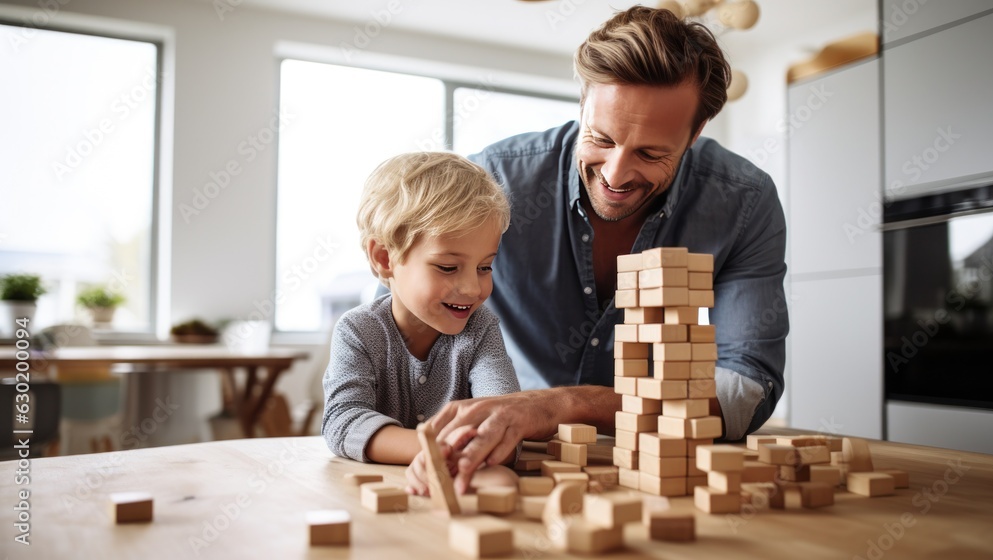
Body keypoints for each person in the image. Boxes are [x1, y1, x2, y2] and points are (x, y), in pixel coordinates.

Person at [426, 6, 789, 494]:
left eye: (651, 153)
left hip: (661, 468)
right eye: (601, 138)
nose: (615, 176)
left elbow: (746, 391)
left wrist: (566, 404)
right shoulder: (495, 181)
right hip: (508, 458)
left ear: (694, 134)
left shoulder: (744, 201)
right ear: (582, 103)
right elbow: (410, 327)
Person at [320, 152, 521, 480]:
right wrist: (436, 451)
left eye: (485, 267)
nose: (472, 288)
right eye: (447, 267)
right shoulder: (358, 331)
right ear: (384, 257)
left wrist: (473, 446)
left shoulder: (481, 329)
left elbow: (505, 417)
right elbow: (343, 421)